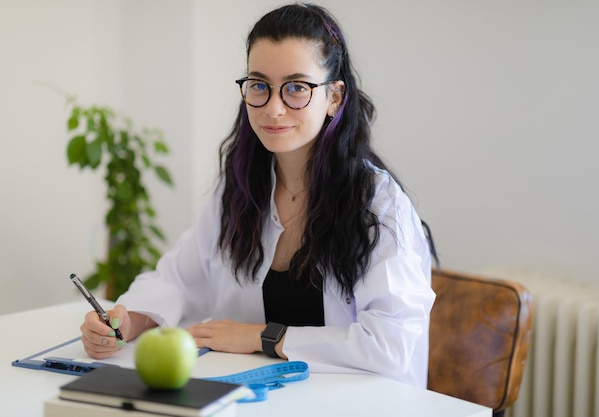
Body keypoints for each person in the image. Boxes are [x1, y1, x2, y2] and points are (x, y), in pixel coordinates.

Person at [79, 3, 436, 388]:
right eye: (260, 86)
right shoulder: (240, 190)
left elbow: (390, 345)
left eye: (297, 87)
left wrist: (262, 336)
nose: (274, 108)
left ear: (334, 96)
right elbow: (177, 279)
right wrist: (128, 320)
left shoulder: (378, 205)